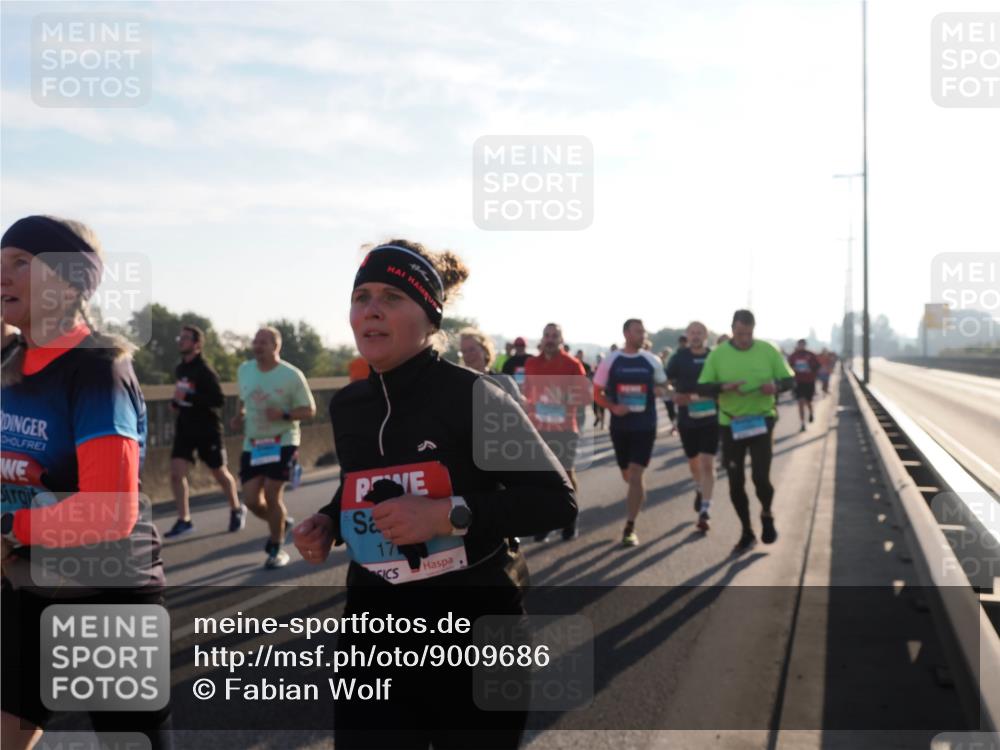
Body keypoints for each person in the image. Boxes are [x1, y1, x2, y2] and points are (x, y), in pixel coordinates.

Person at [293, 240, 576, 749]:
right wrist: (329, 522)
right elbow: (364, 487)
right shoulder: (350, 405)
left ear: (430, 317)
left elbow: (556, 500)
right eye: (362, 296)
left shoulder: (475, 395)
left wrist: (448, 516)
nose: (371, 309)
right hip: (374, 630)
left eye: (392, 296)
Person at [1, 215, 171, 749]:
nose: (2, 276)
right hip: (29, 585)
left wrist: (8, 528)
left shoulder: (98, 367)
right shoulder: (9, 362)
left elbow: (108, 512)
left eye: (20, 264)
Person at [697, 310, 795, 554]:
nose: (744, 339)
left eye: (748, 334)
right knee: (735, 482)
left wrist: (776, 386)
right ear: (732, 329)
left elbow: (789, 380)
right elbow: (703, 386)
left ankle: (766, 513)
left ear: (754, 329)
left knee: (761, 478)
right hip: (731, 424)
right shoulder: (718, 354)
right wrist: (724, 387)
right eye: (740, 334)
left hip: (762, 421)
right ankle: (747, 530)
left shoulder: (768, 350)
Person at [233, 326, 316, 568]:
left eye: (263, 342)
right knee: (249, 500)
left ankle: (277, 547)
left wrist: (285, 413)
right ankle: (280, 521)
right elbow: (243, 400)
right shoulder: (244, 370)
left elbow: (309, 410)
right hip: (254, 443)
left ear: (276, 346)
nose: (257, 346)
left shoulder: (292, 375)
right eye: (255, 341)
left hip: (283, 440)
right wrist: (239, 417)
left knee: (271, 493)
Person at [593, 318, 668, 547]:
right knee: (628, 475)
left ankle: (630, 526)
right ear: (626, 333)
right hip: (620, 427)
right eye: (638, 331)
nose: (643, 335)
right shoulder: (611, 360)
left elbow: (665, 387)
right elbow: (597, 393)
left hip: (645, 426)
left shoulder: (651, 360)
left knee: (636, 474)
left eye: (644, 331)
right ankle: (636, 495)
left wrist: (660, 389)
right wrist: (613, 407)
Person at [164, 324, 244, 538]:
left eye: (186, 338)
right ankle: (184, 520)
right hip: (185, 428)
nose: (181, 341)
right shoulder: (180, 369)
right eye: (180, 337)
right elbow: (182, 393)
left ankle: (236, 509)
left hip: (207, 429)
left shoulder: (205, 370)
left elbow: (218, 400)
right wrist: (176, 403)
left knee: (219, 472)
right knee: (175, 473)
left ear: (197, 344)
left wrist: (188, 399)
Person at [524, 323, 589, 542]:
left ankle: (570, 518)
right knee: (541, 479)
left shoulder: (572, 364)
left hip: (564, 430)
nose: (550, 339)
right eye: (547, 335)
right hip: (538, 429)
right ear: (542, 338)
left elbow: (583, 397)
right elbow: (526, 394)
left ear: (561, 339)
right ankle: (546, 522)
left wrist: (561, 397)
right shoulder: (531, 363)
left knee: (566, 475)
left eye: (554, 336)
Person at [666, 321, 719, 532]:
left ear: (706, 335)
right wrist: (674, 395)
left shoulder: (714, 356)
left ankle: (705, 509)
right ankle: (699, 487)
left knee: (708, 462)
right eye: (692, 333)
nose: (696, 336)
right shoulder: (679, 357)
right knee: (694, 462)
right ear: (687, 335)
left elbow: (723, 381)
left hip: (711, 418)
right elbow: (665, 381)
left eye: (700, 333)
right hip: (687, 419)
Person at [458, 327, 521, 403]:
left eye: (472, 349)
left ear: (485, 350)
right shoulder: (460, 386)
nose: (468, 355)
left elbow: (519, 411)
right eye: (464, 351)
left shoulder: (504, 382)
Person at [787, 339, 821, 431]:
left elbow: (818, 366)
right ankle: (802, 423)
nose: (801, 346)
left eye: (803, 345)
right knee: (800, 401)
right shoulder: (793, 356)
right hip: (798, 382)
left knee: (808, 401)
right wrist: (793, 369)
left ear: (805, 345)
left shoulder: (811, 355)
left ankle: (811, 412)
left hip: (809, 381)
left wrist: (811, 369)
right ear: (797, 345)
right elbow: (788, 367)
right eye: (799, 345)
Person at [592, 353, 606, 429]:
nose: (599, 360)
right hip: (595, 390)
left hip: (603, 390)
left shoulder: (606, 368)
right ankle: (598, 417)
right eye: (598, 358)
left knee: (602, 408)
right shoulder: (595, 367)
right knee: (594, 408)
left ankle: (602, 425)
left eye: (600, 358)